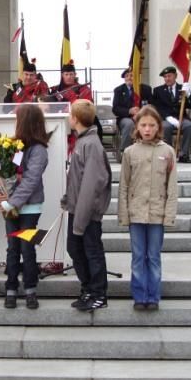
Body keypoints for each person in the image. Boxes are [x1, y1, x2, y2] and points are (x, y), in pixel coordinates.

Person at [118, 105, 177, 310]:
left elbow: (172, 186)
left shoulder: (167, 152)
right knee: (138, 256)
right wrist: (124, 214)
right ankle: (139, 295)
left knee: (153, 256)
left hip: (157, 213)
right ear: (137, 127)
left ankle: (153, 296)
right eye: (143, 125)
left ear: (158, 127)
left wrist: (169, 215)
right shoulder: (129, 152)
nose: (147, 129)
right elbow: (124, 185)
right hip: (136, 213)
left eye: (152, 125)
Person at [0, 104, 50, 310]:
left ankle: (30, 289)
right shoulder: (17, 146)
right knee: (12, 248)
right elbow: (8, 174)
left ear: (26, 122)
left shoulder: (39, 150)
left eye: (18, 120)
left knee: (27, 248)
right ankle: (11, 288)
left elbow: (30, 180)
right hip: (11, 206)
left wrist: (11, 203)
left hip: (30, 207)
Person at [65, 99, 112, 311]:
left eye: (70, 115)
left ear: (75, 119)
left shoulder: (91, 144)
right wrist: (68, 198)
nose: (69, 118)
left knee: (92, 251)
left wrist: (80, 219)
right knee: (75, 249)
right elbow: (77, 177)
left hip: (86, 213)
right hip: (76, 209)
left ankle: (98, 293)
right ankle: (87, 289)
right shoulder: (82, 141)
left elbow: (92, 184)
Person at [152, 66, 191, 163]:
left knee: (189, 126)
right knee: (165, 127)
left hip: (181, 117)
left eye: (169, 76)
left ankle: (184, 154)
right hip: (166, 118)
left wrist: (188, 95)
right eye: (165, 77)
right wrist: (168, 117)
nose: (167, 79)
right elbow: (157, 107)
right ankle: (169, 154)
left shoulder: (182, 88)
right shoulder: (158, 90)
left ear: (175, 76)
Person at [112, 67, 153, 152]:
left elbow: (151, 105)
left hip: (143, 116)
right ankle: (125, 151)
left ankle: (148, 149)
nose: (129, 78)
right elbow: (115, 109)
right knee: (129, 124)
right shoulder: (118, 90)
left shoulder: (146, 89)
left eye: (131, 75)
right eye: (126, 76)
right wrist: (129, 111)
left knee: (148, 124)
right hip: (125, 117)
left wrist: (140, 113)